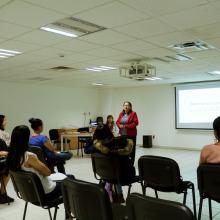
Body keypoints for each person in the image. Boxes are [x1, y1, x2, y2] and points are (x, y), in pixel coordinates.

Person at [6, 125, 73, 219]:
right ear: (26, 139)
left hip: (27, 193)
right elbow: (48, 172)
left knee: (67, 177)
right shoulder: (29, 156)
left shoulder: (11, 157)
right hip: (44, 193)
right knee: (71, 180)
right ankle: (68, 216)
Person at [93, 121, 135, 203]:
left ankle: (112, 192)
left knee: (113, 172)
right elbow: (129, 145)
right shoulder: (121, 143)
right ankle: (118, 195)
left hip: (104, 173)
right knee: (116, 171)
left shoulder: (96, 147)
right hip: (124, 175)